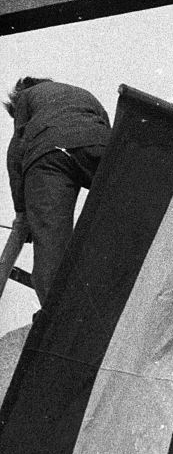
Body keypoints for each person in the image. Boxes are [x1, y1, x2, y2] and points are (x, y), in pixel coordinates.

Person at [4, 76, 112, 303]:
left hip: (48, 158)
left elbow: (17, 151)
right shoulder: (83, 92)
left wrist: (23, 212)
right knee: (115, 218)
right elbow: (108, 128)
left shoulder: (25, 97)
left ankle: (56, 317)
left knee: (50, 251)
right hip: (98, 143)